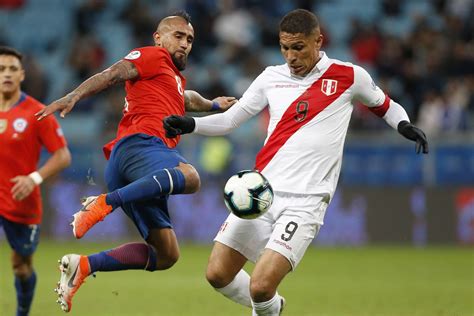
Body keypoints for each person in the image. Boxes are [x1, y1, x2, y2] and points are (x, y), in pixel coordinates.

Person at [163, 9, 429, 316]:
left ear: (318, 41)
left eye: (298, 47)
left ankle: (266, 305)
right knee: (217, 274)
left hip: (306, 200)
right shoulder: (270, 78)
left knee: (261, 285)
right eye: (285, 48)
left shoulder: (349, 76)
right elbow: (231, 120)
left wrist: (404, 125)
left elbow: (385, 105)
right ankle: (273, 309)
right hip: (260, 193)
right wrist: (190, 125)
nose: (291, 56)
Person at [35, 11, 236, 313]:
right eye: (178, 36)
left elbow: (186, 98)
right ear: (158, 37)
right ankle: (104, 203)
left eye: (190, 39)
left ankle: (84, 265)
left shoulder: (171, 78)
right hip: (140, 146)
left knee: (166, 254)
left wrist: (213, 105)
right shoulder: (152, 56)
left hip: (133, 169)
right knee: (191, 177)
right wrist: (74, 95)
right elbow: (115, 72)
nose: (185, 44)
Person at [0, 46, 71, 316]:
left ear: (21, 75)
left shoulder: (37, 112)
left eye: (11, 69)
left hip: (21, 201)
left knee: (21, 265)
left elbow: (63, 155)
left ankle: (22, 312)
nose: (6, 74)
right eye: (1, 69)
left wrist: (34, 178)